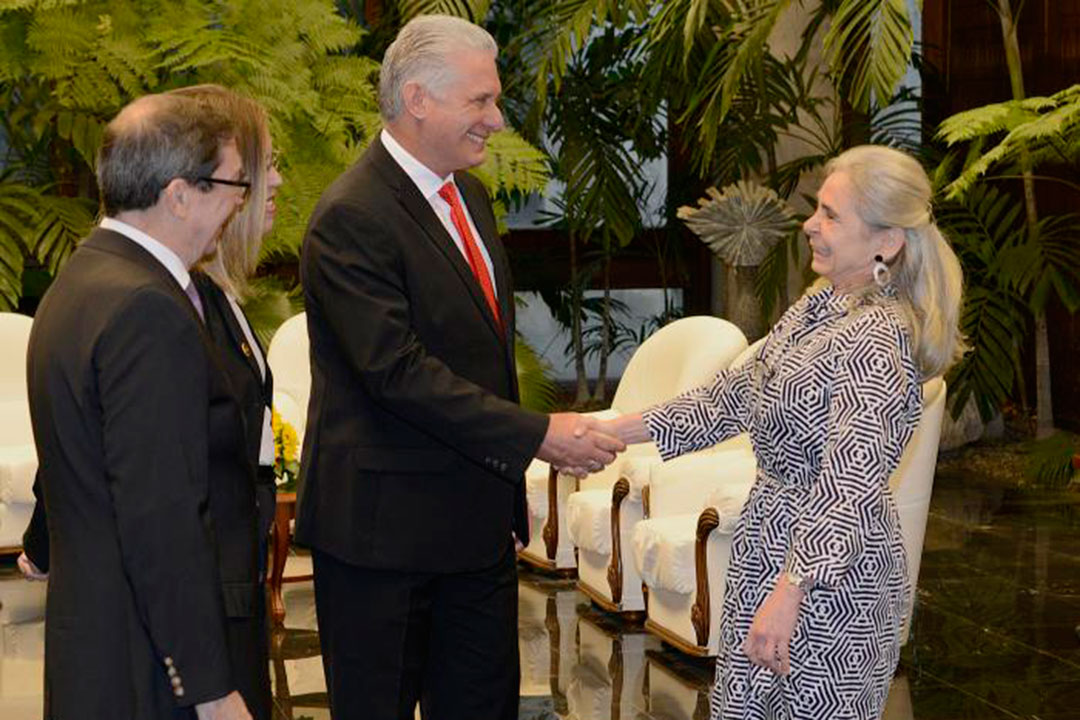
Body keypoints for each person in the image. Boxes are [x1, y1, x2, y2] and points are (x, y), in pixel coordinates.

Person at [296, 14, 624, 720]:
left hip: (474, 533)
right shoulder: (351, 214)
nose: (496, 119)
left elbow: (480, 358)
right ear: (418, 99)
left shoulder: (468, 197)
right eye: (480, 101)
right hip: (382, 541)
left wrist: (504, 493)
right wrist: (535, 434)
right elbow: (396, 371)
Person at [602, 145, 966, 720]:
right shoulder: (817, 308)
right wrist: (608, 432)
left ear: (886, 242)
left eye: (831, 215)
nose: (810, 226)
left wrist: (791, 592)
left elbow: (849, 488)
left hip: (828, 584)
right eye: (816, 210)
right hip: (767, 554)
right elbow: (725, 399)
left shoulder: (878, 338)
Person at [26, 91, 257, 720]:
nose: (240, 202)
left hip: (95, 647)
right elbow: (162, 514)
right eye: (234, 184)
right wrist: (208, 686)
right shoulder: (148, 309)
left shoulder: (80, 280)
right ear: (180, 194)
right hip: (146, 667)